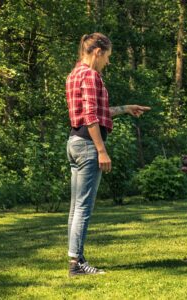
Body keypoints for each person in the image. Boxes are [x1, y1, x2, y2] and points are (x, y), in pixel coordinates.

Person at [66, 32, 151, 277]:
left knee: (75, 208)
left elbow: (94, 112)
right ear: (98, 52)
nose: (108, 62)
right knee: (84, 208)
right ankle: (77, 264)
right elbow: (92, 117)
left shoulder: (74, 75)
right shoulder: (91, 76)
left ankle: (75, 258)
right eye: (108, 57)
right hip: (88, 146)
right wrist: (102, 150)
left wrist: (126, 109)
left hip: (74, 141)